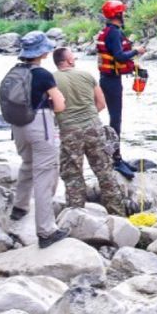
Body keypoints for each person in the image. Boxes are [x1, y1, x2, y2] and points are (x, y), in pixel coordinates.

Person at [1, 32, 65, 247]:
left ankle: (19, 207)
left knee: (27, 164)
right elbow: (60, 105)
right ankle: (46, 231)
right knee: (44, 175)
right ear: (42, 52)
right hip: (40, 124)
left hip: (17, 125)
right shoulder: (43, 74)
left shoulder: (14, 71)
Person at [54, 46, 126, 216]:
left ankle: (76, 215)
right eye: (73, 57)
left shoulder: (51, 80)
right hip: (94, 128)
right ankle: (118, 215)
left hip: (69, 131)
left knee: (73, 175)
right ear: (69, 61)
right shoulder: (87, 76)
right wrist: (88, 116)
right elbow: (101, 103)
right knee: (105, 173)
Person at [95, 0, 143, 175]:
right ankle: (115, 159)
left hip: (110, 79)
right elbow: (120, 57)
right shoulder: (113, 33)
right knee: (116, 120)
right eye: (122, 12)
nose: (124, 15)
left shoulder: (109, 31)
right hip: (111, 81)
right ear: (118, 14)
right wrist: (137, 51)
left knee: (116, 119)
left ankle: (117, 157)